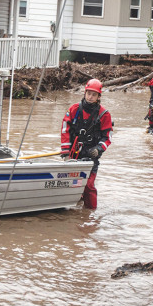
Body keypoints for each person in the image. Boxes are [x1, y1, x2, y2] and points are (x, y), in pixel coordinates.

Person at [60, 78, 113, 210]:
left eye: (94, 94)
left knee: (88, 185)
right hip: (74, 154)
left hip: (91, 156)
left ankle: (91, 213)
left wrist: (99, 148)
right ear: (84, 93)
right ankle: (74, 209)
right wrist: (65, 153)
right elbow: (65, 129)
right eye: (88, 93)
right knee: (72, 184)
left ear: (99, 96)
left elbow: (107, 136)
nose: (90, 97)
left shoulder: (104, 114)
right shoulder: (75, 109)